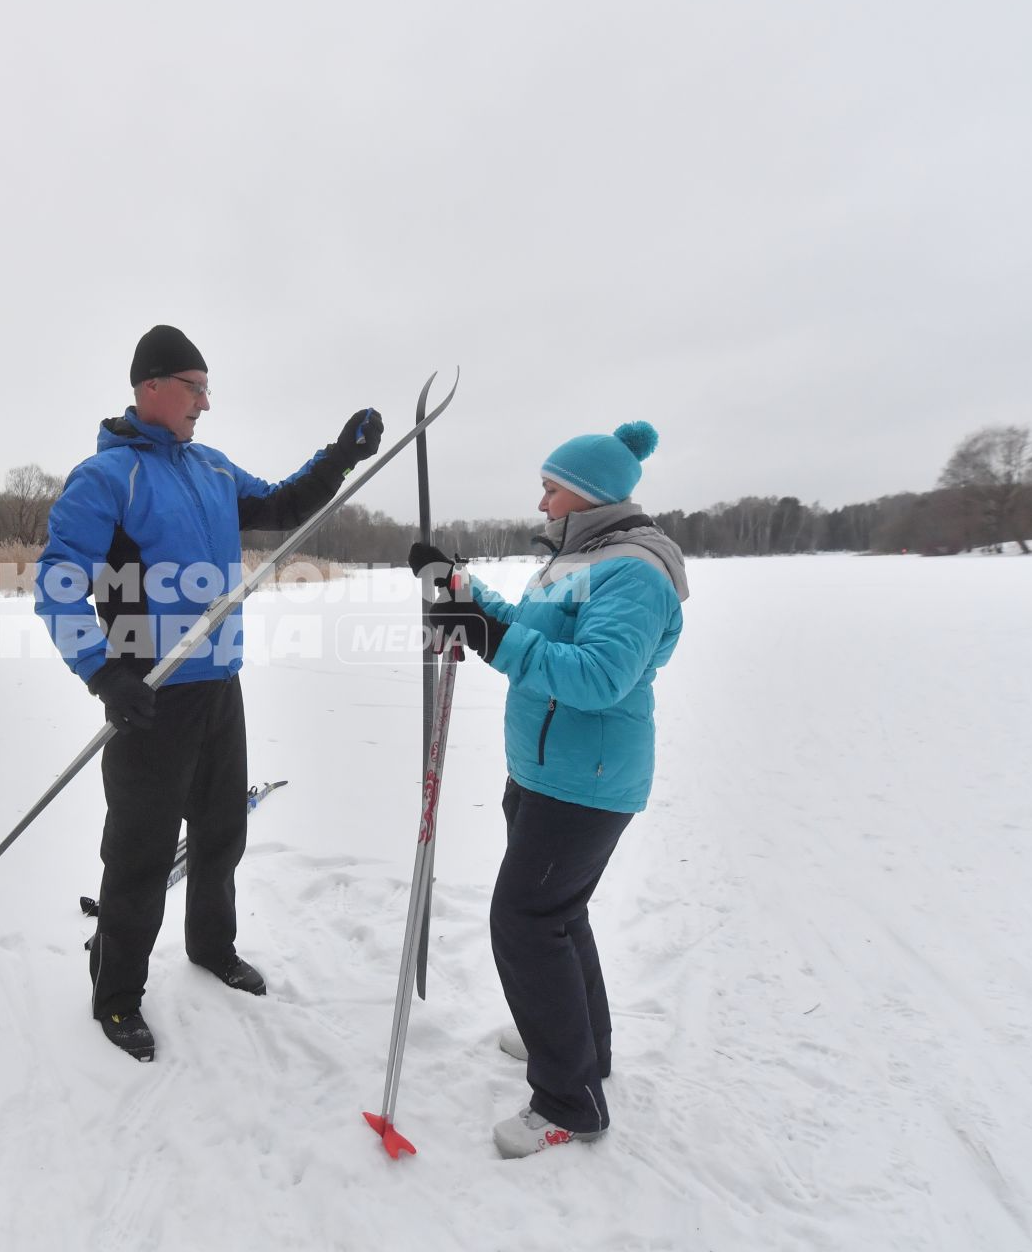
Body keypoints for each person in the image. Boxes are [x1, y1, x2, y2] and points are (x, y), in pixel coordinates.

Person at [34, 324, 383, 1062]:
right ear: (151, 387)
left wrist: (340, 456)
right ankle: (117, 992)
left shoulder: (214, 470)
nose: (205, 403)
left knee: (222, 834)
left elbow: (285, 505)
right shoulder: (107, 479)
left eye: (206, 390)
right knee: (141, 852)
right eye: (195, 388)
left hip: (219, 681)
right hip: (149, 693)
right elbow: (58, 581)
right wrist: (103, 672)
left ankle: (210, 947)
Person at [408, 420, 687, 1157]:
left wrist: (485, 634)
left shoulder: (635, 571)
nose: (540, 502)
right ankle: (581, 1048)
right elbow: (529, 628)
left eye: (551, 488)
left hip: (585, 782)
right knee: (559, 915)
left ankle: (569, 1099)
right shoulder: (578, 559)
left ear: (587, 496)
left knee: (526, 922)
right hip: (545, 771)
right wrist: (461, 591)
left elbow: (597, 675)